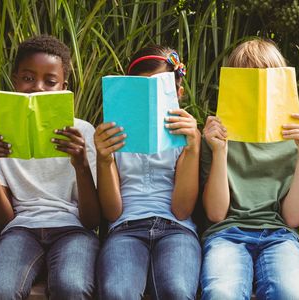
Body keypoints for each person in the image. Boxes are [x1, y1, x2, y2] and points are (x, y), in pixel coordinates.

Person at [0, 35, 99, 300]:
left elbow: (91, 220)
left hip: (73, 230)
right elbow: (4, 219)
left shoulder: (82, 132)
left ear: (64, 87)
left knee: (72, 286)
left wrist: (81, 166)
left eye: (50, 81)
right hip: (21, 230)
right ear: (15, 80)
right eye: (28, 78)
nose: (38, 87)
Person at [199, 39, 299, 299]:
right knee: (221, 293)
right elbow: (217, 214)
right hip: (226, 235)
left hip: (280, 236)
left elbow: (294, 218)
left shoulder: (296, 138)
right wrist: (220, 151)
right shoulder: (217, 136)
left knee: (291, 293)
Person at [95, 45, 201, 299]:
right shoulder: (113, 137)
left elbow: (182, 210)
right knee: (117, 292)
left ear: (178, 93)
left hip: (177, 228)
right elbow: (112, 212)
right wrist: (104, 159)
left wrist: (193, 148)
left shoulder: (187, 137)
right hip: (125, 228)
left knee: (176, 291)